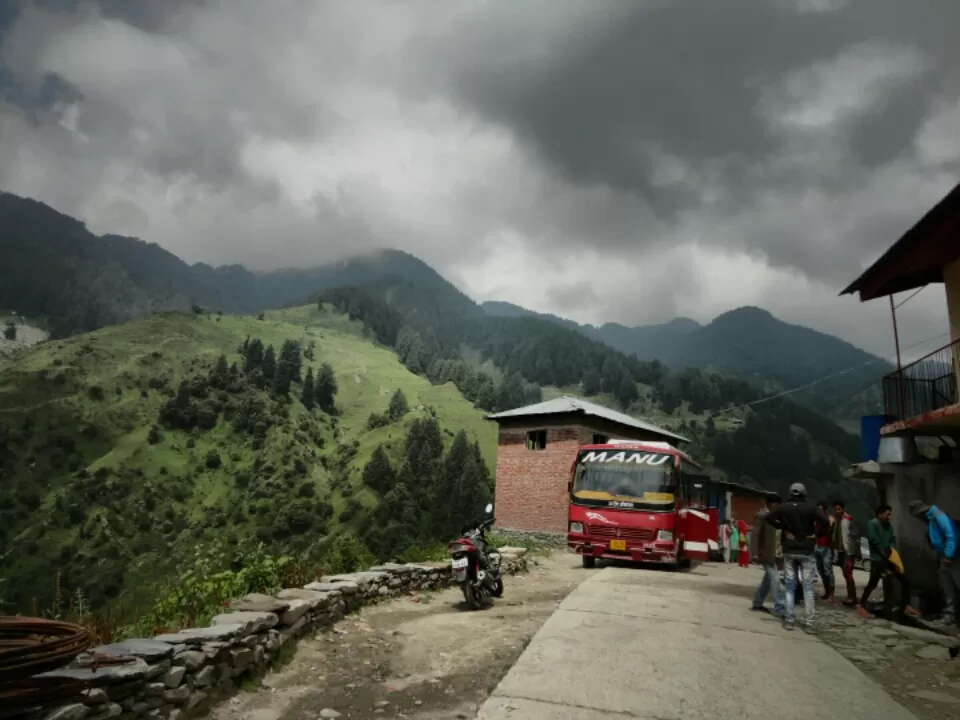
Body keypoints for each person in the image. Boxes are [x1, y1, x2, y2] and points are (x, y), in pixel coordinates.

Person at [765, 483, 830, 632]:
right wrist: (817, 535)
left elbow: (769, 518)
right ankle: (809, 623)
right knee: (808, 587)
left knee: (789, 586)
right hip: (807, 549)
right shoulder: (812, 508)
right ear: (804, 493)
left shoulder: (783, 507)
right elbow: (825, 521)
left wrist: (783, 528)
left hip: (789, 549)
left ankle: (789, 620)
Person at [859, 504, 920, 621]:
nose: (890, 517)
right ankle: (861, 605)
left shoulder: (888, 526)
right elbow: (875, 541)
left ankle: (906, 605)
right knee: (873, 583)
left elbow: (892, 540)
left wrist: (893, 552)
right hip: (878, 560)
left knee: (905, 581)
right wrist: (884, 554)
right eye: (888, 514)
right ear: (880, 514)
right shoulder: (873, 524)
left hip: (889, 559)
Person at [907, 501, 959, 627]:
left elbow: (951, 535)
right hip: (944, 555)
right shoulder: (931, 519)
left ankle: (950, 615)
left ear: (921, 512)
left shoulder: (938, 516)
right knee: (947, 587)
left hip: (952, 556)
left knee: (952, 585)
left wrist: (948, 555)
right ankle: (950, 615)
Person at [750, 493, 785, 617]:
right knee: (775, 580)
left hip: (775, 554)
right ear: (770, 504)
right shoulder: (762, 516)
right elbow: (755, 535)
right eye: (776, 504)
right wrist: (755, 552)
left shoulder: (777, 517)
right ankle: (781, 608)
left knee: (768, 580)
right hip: (765, 553)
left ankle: (757, 602)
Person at [832, 500, 859, 606]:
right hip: (840, 550)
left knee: (848, 573)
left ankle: (853, 597)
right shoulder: (836, 520)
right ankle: (850, 596)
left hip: (848, 550)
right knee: (845, 573)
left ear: (843, 509)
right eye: (836, 509)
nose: (837, 511)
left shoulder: (849, 519)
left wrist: (857, 551)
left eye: (839, 509)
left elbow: (856, 536)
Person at [814, 501, 837, 602]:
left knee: (828, 570)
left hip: (827, 547)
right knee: (821, 570)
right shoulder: (816, 520)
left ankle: (831, 594)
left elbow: (831, 530)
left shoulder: (829, 519)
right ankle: (827, 592)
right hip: (817, 546)